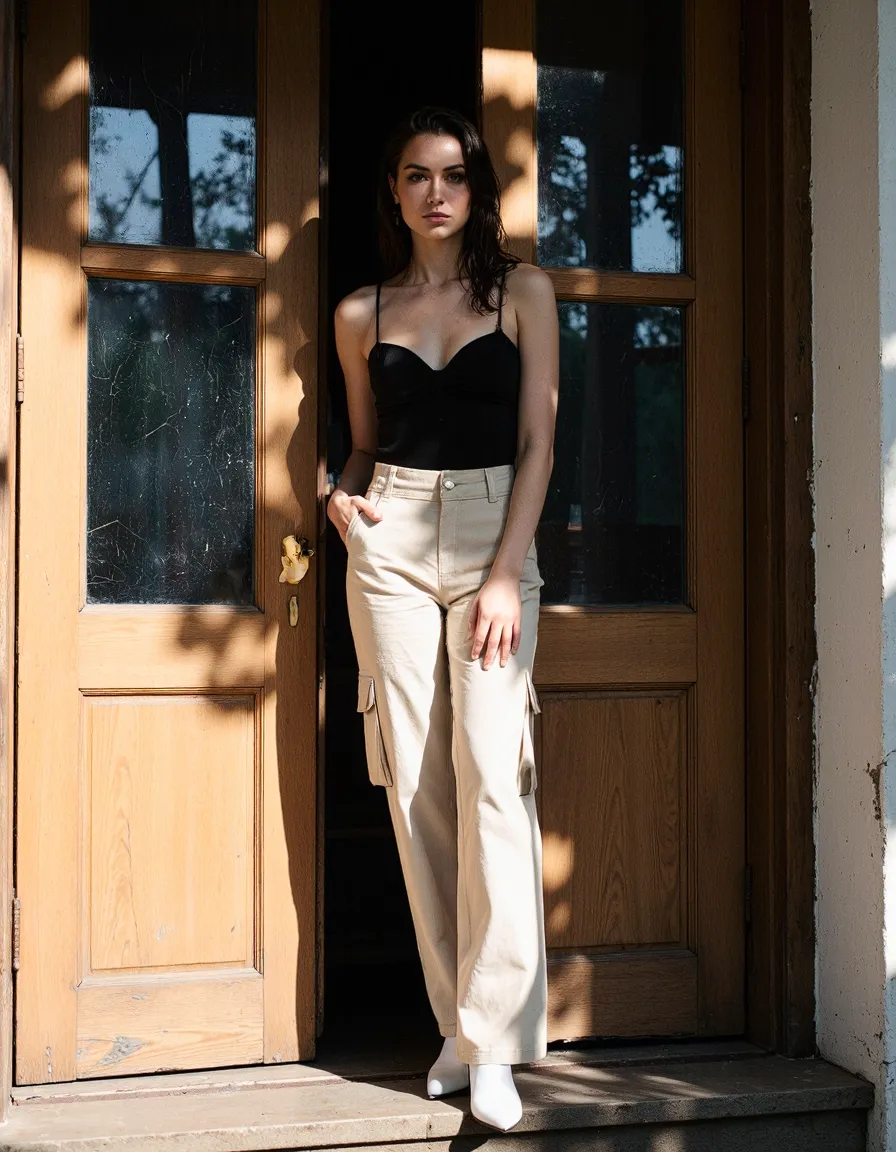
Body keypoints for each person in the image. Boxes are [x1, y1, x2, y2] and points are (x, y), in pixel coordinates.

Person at [329, 106, 559, 1132]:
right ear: (394, 189)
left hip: (489, 536)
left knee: (491, 777)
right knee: (417, 785)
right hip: (389, 541)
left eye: (454, 175)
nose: (435, 193)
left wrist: (506, 572)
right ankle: (458, 1031)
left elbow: (539, 442)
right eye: (417, 175)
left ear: (476, 190)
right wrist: (338, 500)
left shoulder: (523, 293)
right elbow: (362, 445)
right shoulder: (360, 312)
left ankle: (498, 1040)